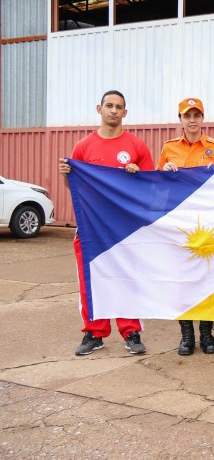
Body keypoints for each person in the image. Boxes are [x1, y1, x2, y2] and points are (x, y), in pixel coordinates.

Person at [58, 90, 154, 356]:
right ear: (99, 109)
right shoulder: (83, 146)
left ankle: (131, 331)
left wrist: (136, 175)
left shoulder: (137, 146)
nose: (113, 110)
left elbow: (150, 187)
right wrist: (66, 174)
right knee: (91, 279)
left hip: (124, 227)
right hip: (91, 225)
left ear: (125, 113)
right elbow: (74, 186)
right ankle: (94, 333)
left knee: (126, 277)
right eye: (109, 106)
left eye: (119, 107)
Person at [157, 97, 214, 356]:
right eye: (187, 116)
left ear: (203, 119)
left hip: (208, 223)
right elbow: (157, 184)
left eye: (197, 115)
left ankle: (207, 333)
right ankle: (186, 335)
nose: (192, 120)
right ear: (181, 120)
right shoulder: (169, 149)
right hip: (180, 222)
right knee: (182, 278)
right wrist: (166, 171)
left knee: (207, 277)